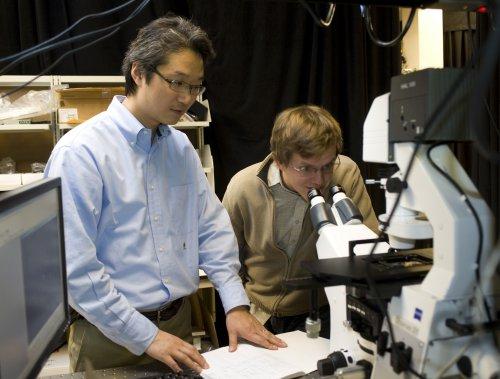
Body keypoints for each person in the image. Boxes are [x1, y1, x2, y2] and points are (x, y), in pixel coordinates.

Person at [44, 15, 285, 374]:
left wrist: (235, 305)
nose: (187, 98)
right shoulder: (82, 152)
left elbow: (211, 229)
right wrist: (147, 337)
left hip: (176, 325)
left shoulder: (180, 149)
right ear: (139, 73)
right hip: (109, 335)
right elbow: (75, 269)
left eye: (196, 86)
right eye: (177, 83)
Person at [222, 105, 379, 338]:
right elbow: (224, 259)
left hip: (324, 311)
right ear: (279, 162)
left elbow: (367, 247)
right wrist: (237, 309)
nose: (320, 180)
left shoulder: (345, 172)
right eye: (306, 168)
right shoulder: (244, 187)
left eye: (327, 166)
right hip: (260, 315)